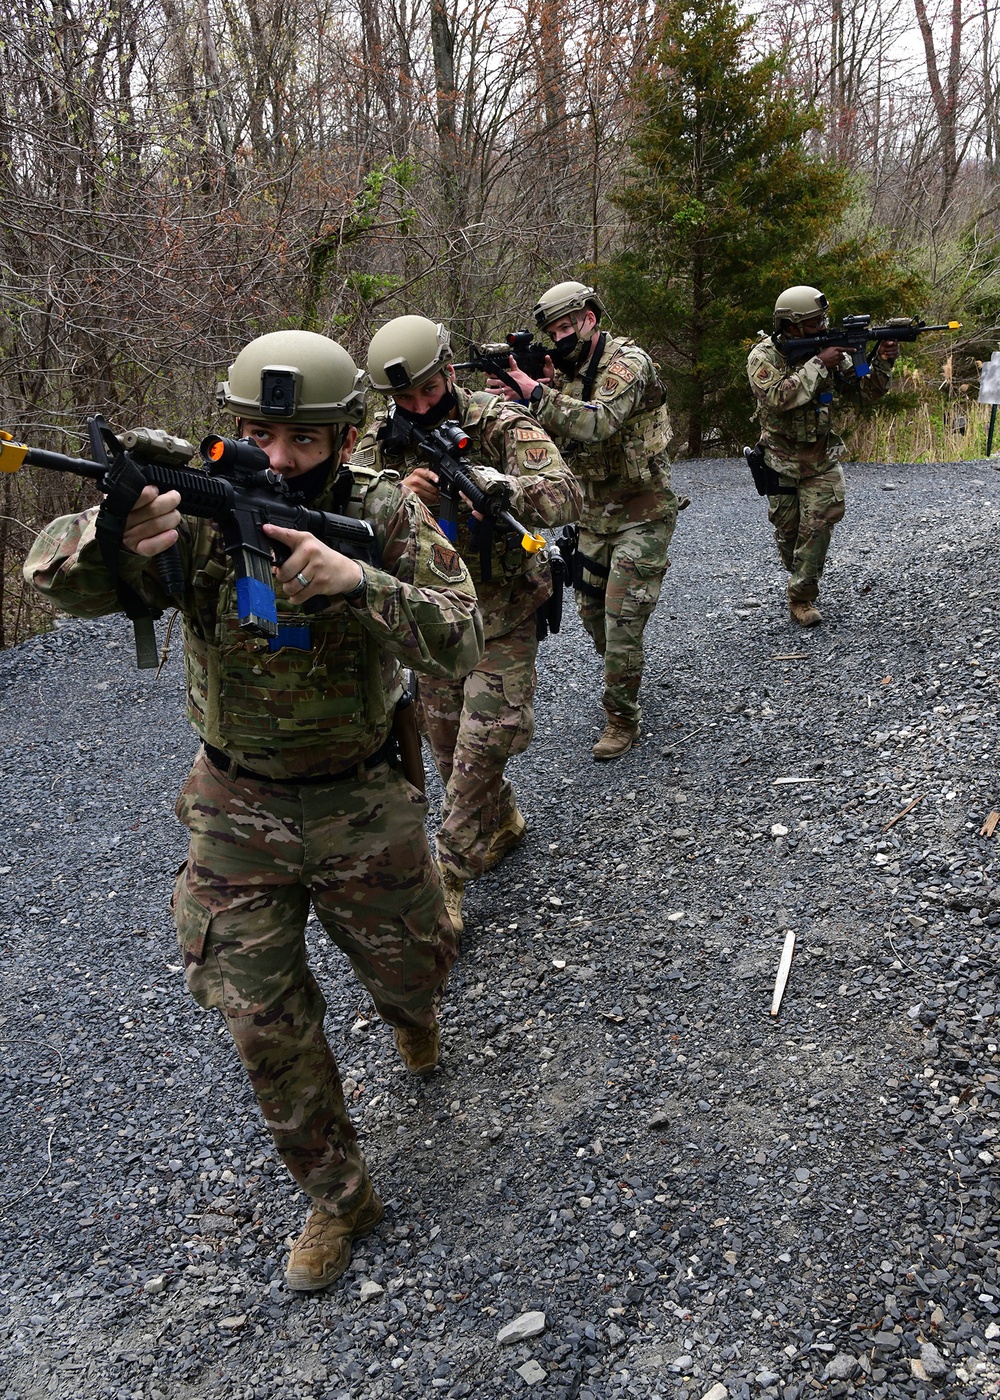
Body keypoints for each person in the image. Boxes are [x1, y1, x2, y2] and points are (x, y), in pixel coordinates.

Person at [24, 330, 484, 1293]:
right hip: (236, 807)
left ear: (348, 437)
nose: (277, 458)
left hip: (364, 793)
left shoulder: (385, 512)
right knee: (261, 1021)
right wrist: (112, 533)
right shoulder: (189, 507)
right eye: (258, 433)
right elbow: (73, 588)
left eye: (303, 441)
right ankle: (338, 1198)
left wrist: (360, 583)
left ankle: (411, 1016)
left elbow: (462, 638)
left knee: (416, 965)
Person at [356, 314, 581, 934]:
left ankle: (447, 877)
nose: (420, 407)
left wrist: (501, 490)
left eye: (430, 391)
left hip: (505, 610)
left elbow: (566, 494)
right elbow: (343, 516)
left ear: (450, 373)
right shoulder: (382, 440)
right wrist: (398, 497)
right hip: (435, 619)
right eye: (406, 398)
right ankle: (502, 820)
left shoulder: (497, 419)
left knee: (484, 743)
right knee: (448, 744)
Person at [487, 281, 678, 762]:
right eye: (554, 330)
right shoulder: (563, 373)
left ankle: (621, 717)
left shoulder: (628, 363)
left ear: (591, 318)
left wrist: (534, 391)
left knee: (622, 622)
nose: (561, 336)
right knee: (592, 616)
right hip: (593, 516)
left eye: (568, 326)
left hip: (644, 510)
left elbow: (597, 422)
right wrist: (519, 397)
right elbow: (553, 435)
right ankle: (623, 672)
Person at [747, 285, 898, 625]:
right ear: (792, 326)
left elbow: (868, 389)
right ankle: (801, 572)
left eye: (824, 320)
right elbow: (777, 399)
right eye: (816, 323)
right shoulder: (764, 357)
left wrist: (884, 358)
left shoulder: (833, 352)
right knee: (790, 540)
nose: (824, 327)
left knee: (816, 530)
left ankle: (801, 599)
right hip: (780, 461)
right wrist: (818, 363)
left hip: (821, 460)